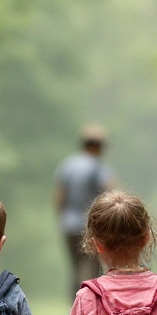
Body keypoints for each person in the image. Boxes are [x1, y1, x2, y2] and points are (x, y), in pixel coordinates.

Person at [54, 125, 114, 295]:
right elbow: (110, 192)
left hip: (69, 225)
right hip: (90, 228)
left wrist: (62, 219)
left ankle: (74, 308)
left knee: (75, 268)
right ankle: (89, 308)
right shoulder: (98, 167)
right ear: (99, 146)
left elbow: (59, 198)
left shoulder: (67, 165)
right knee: (91, 270)